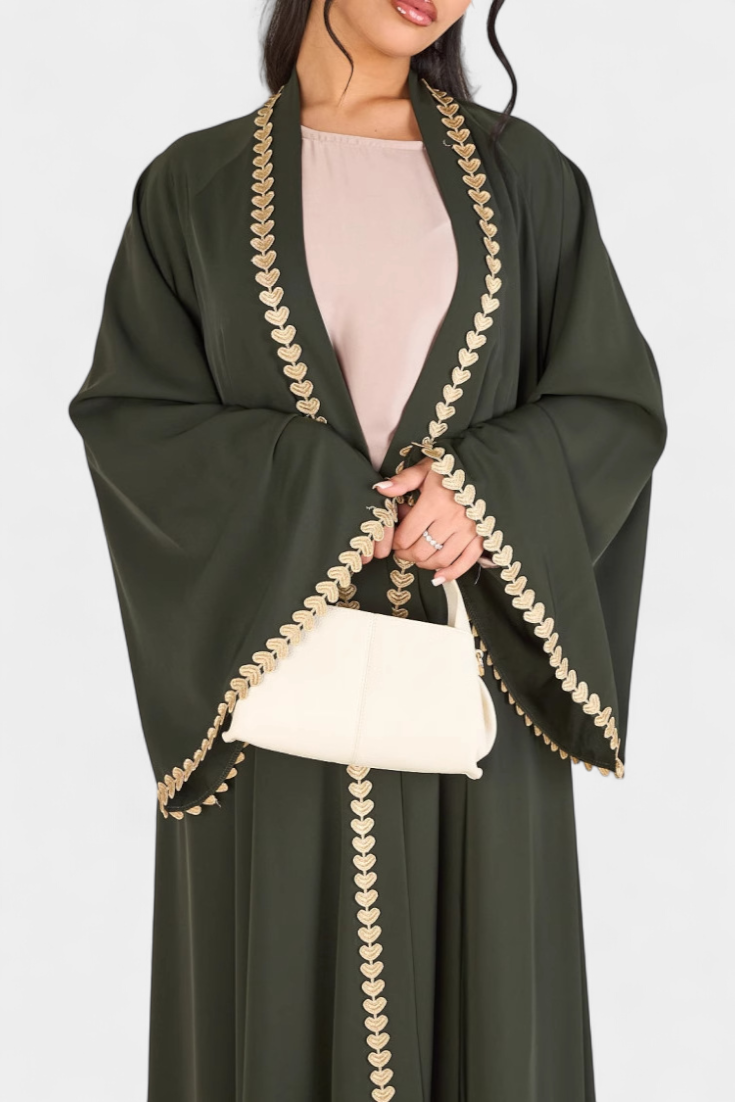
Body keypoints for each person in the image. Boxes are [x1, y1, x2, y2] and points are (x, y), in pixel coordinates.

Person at [67, 1, 667, 1098]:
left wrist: (486, 493)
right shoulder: (192, 190)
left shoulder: (527, 182)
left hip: (473, 702)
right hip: (273, 705)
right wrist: (318, 495)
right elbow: (135, 424)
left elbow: (612, 406)